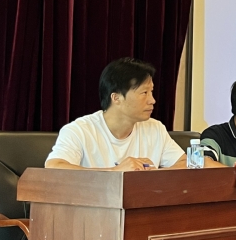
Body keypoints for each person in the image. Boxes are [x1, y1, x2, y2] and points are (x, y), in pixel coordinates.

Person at [45, 58, 217, 170]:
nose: (152, 100)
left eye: (151, 92)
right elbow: (54, 166)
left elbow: (184, 163)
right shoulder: (80, 130)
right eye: (144, 93)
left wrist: (153, 175)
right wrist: (115, 171)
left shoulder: (154, 128)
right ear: (116, 98)